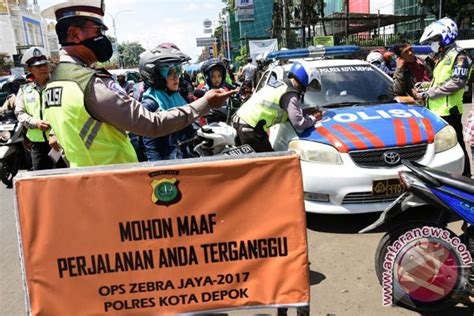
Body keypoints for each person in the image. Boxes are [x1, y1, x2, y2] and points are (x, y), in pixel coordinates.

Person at [41, 0, 234, 168]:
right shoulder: (89, 84)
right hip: (114, 183)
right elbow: (151, 124)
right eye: (98, 30)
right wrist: (205, 103)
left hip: (86, 181)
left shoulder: (53, 83)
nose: (102, 37)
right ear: (74, 34)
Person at [418, 17, 472, 177]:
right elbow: (440, 81)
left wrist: (430, 93)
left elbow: (457, 83)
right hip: (436, 110)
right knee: (439, 146)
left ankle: (466, 176)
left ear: (445, 37)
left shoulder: (460, 56)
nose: (433, 43)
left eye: (435, 39)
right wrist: (425, 86)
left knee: (457, 146)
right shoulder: (443, 57)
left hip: (450, 111)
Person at [232, 61, 320, 152]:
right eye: (309, 86)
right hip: (250, 128)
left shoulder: (282, 85)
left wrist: (305, 111)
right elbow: (299, 123)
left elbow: (288, 111)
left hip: (242, 123)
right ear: (305, 79)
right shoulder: (290, 93)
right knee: (270, 164)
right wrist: (313, 118)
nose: (307, 89)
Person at [139, 45, 196, 160]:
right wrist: (160, 175)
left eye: (178, 71)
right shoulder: (150, 105)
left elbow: (190, 132)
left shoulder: (178, 98)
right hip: (168, 168)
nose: (176, 77)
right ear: (157, 76)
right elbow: (151, 149)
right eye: (170, 72)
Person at [14, 47, 60, 170]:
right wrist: (36, 123)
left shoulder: (58, 85)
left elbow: (65, 112)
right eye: (38, 66)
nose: (43, 68)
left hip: (59, 141)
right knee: (41, 182)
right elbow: (19, 112)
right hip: (37, 144)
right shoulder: (24, 90)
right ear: (30, 69)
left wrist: (54, 132)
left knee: (65, 179)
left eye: (45, 64)